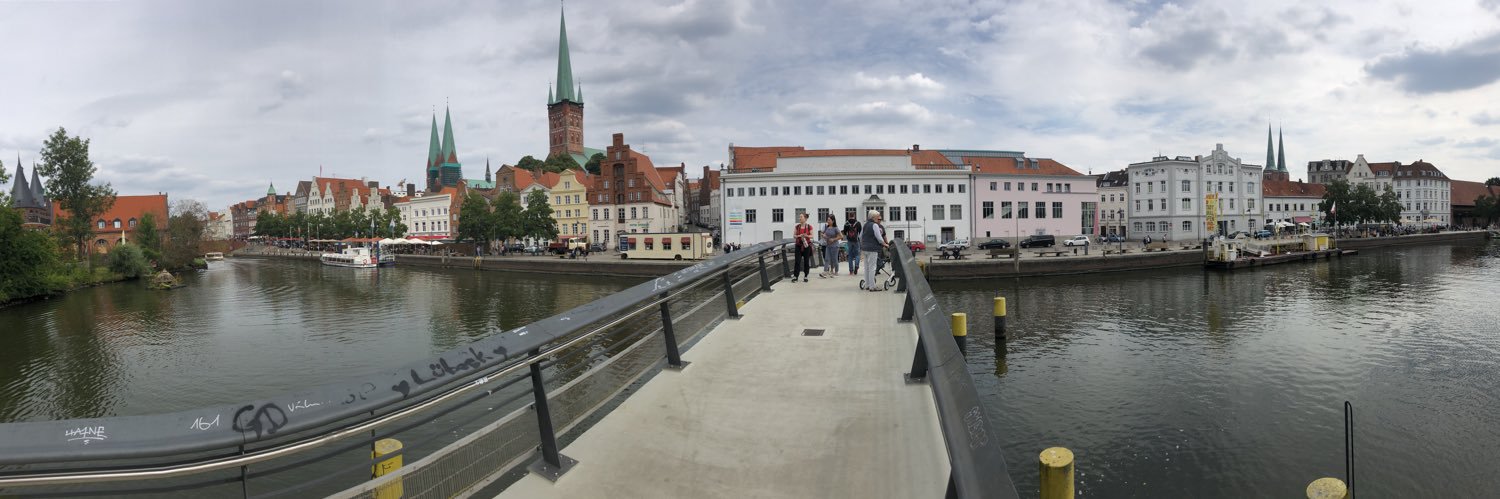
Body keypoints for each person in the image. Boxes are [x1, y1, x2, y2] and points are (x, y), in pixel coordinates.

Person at [859, 209, 888, 292]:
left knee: (866, 267)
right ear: (873, 217)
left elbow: (860, 237)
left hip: (865, 248)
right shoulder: (875, 225)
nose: (878, 217)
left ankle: (867, 285)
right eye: (877, 216)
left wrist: (864, 244)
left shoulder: (865, 225)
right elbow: (879, 237)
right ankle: (872, 286)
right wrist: (884, 244)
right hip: (873, 248)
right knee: (872, 267)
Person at [793, 212, 814, 282]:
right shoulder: (797, 226)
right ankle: (795, 276)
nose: (800, 218)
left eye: (801, 217)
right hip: (798, 245)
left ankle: (806, 275)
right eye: (799, 217)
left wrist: (806, 235)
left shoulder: (809, 227)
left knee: (806, 261)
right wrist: (799, 236)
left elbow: (812, 236)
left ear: (805, 218)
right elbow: (794, 235)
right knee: (797, 261)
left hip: (806, 246)